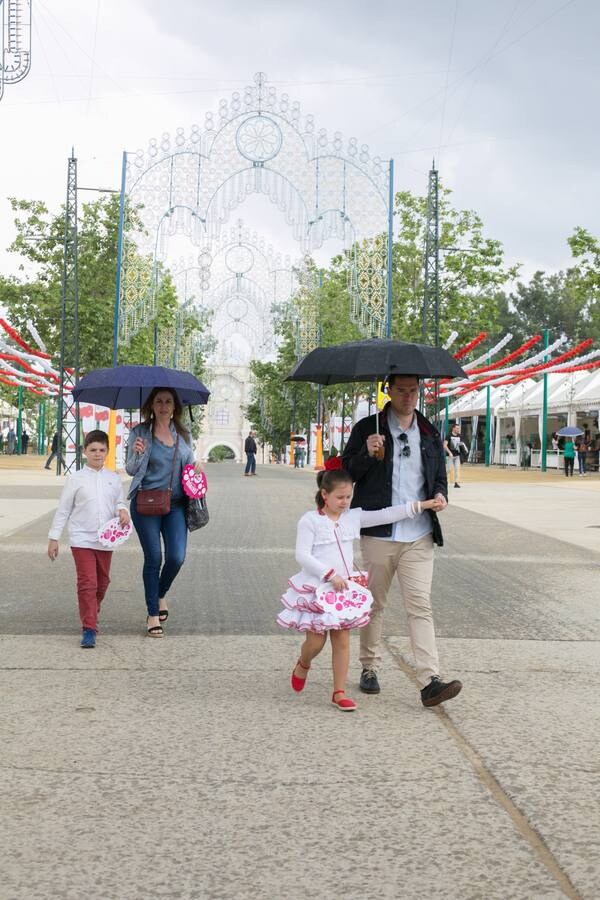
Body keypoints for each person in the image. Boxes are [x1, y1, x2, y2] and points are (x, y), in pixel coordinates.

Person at [278, 468, 443, 711]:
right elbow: (302, 555)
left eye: (348, 497)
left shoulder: (352, 517)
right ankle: (303, 662)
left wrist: (421, 505)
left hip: (342, 591)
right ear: (325, 494)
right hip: (318, 588)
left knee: (342, 640)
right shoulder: (310, 521)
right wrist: (328, 573)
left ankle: (339, 692)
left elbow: (387, 514)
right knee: (315, 643)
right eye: (340, 497)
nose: (345, 502)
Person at [343, 373, 462, 708]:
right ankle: (369, 666)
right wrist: (366, 454)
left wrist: (439, 494)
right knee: (374, 603)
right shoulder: (369, 428)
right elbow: (347, 473)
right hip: (380, 532)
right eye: (401, 390)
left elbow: (438, 476)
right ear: (389, 391)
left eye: (413, 390)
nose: (408, 396)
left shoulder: (428, 432)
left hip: (419, 533)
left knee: (420, 605)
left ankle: (430, 680)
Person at [126, 387, 203, 637]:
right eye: (158, 401)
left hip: (177, 504)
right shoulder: (139, 433)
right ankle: (152, 613)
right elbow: (130, 469)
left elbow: (189, 466)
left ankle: (159, 593)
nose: (163, 406)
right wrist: (137, 453)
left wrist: (197, 468)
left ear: (174, 407)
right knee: (153, 558)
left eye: (168, 401)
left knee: (176, 557)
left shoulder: (184, 434)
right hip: (146, 502)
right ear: (151, 405)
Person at [47, 430, 129, 649]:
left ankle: (91, 610)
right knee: (88, 583)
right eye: (93, 450)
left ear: (107, 452)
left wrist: (122, 510)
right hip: (81, 539)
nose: (97, 454)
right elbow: (63, 510)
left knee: (102, 583)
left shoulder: (113, 478)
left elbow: (119, 501)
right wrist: (54, 538)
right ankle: (89, 628)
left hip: (106, 540)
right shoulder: (76, 479)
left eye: (102, 450)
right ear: (84, 452)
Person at [444, 422, 468, 488]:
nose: (458, 430)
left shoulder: (459, 436)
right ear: (453, 428)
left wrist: (464, 450)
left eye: (459, 428)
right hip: (450, 456)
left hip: (457, 456)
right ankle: (443, 481)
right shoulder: (448, 435)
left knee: (457, 469)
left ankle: (456, 483)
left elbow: (461, 444)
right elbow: (444, 445)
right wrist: (449, 453)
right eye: (457, 428)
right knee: (448, 469)